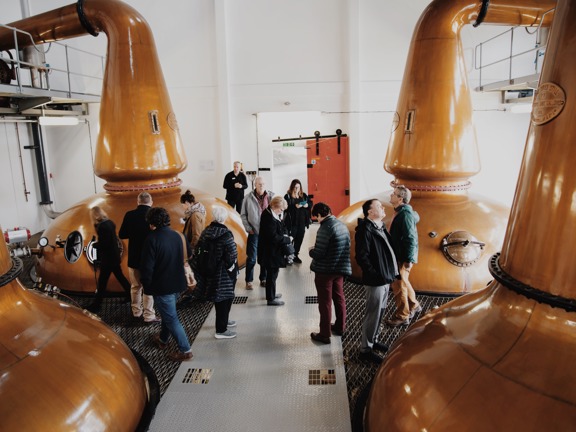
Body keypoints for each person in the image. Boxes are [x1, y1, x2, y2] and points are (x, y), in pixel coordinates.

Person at [140, 207, 193, 361]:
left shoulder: (151, 239)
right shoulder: (178, 235)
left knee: (171, 318)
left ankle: (185, 350)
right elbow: (187, 255)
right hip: (178, 284)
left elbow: (147, 268)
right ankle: (163, 339)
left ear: (151, 223)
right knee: (167, 314)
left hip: (162, 287)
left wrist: (147, 287)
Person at [355, 199, 399, 363]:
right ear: (370, 212)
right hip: (376, 280)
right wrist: (375, 275)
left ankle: (373, 341)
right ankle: (365, 350)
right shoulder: (365, 230)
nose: (383, 208)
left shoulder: (379, 227)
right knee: (372, 314)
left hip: (385, 278)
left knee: (380, 311)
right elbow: (362, 257)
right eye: (379, 206)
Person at [308, 202, 351, 344]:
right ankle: (340, 327)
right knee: (339, 298)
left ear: (320, 215)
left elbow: (319, 253)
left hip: (325, 271)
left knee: (324, 302)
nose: (317, 220)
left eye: (317, 217)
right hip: (339, 269)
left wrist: (311, 251)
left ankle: (325, 334)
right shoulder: (341, 225)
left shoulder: (325, 228)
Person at [194, 206, 239, 338]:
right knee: (225, 298)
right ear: (224, 218)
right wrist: (232, 269)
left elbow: (198, 250)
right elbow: (232, 254)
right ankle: (221, 330)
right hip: (223, 273)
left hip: (209, 271)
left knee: (219, 298)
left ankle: (224, 321)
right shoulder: (226, 234)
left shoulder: (206, 232)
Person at [118, 192, 160, 323]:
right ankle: (149, 315)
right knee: (149, 287)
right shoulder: (154, 215)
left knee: (135, 287)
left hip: (134, 258)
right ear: (150, 201)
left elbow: (122, 234)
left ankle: (136, 313)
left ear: (138, 201)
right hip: (150, 259)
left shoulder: (129, 215)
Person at [386, 185, 422, 327]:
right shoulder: (401, 211)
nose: (391, 195)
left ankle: (402, 316)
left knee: (398, 285)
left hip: (401, 256)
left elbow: (410, 238)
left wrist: (408, 259)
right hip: (399, 255)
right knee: (404, 282)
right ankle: (414, 305)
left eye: (394, 194)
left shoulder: (405, 214)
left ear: (400, 198)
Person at [87, 206, 131, 313]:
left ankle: (96, 305)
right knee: (120, 277)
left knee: (102, 282)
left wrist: (95, 245)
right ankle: (130, 295)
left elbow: (105, 243)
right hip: (114, 256)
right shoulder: (110, 222)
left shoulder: (102, 227)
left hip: (108, 258)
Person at [241, 176, 274, 290]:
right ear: (255, 185)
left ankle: (263, 279)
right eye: (259, 184)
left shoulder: (271, 196)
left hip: (267, 233)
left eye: (263, 184)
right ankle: (249, 281)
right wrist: (248, 228)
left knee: (264, 257)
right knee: (251, 258)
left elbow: (277, 212)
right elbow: (243, 215)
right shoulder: (248, 198)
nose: (261, 186)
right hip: (253, 232)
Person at [258, 196, 291, 306]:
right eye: (281, 209)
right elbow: (272, 237)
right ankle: (270, 299)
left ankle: (271, 293)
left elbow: (281, 226)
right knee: (271, 275)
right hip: (269, 252)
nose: (282, 212)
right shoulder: (267, 217)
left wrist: (285, 233)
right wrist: (287, 239)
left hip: (273, 251)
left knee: (273, 274)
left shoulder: (273, 214)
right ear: (275, 206)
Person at [283, 179, 311, 264]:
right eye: (295, 187)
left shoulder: (304, 195)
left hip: (301, 222)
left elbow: (310, 204)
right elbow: (285, 207)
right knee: (290, 239)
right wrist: (295, 206)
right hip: (292, 223)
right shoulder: (287, 196)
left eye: (298, 187)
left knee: (299, 239)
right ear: (292, 187)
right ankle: (288, 256)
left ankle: (295, 255)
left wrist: (307, 205)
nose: (296, 189)